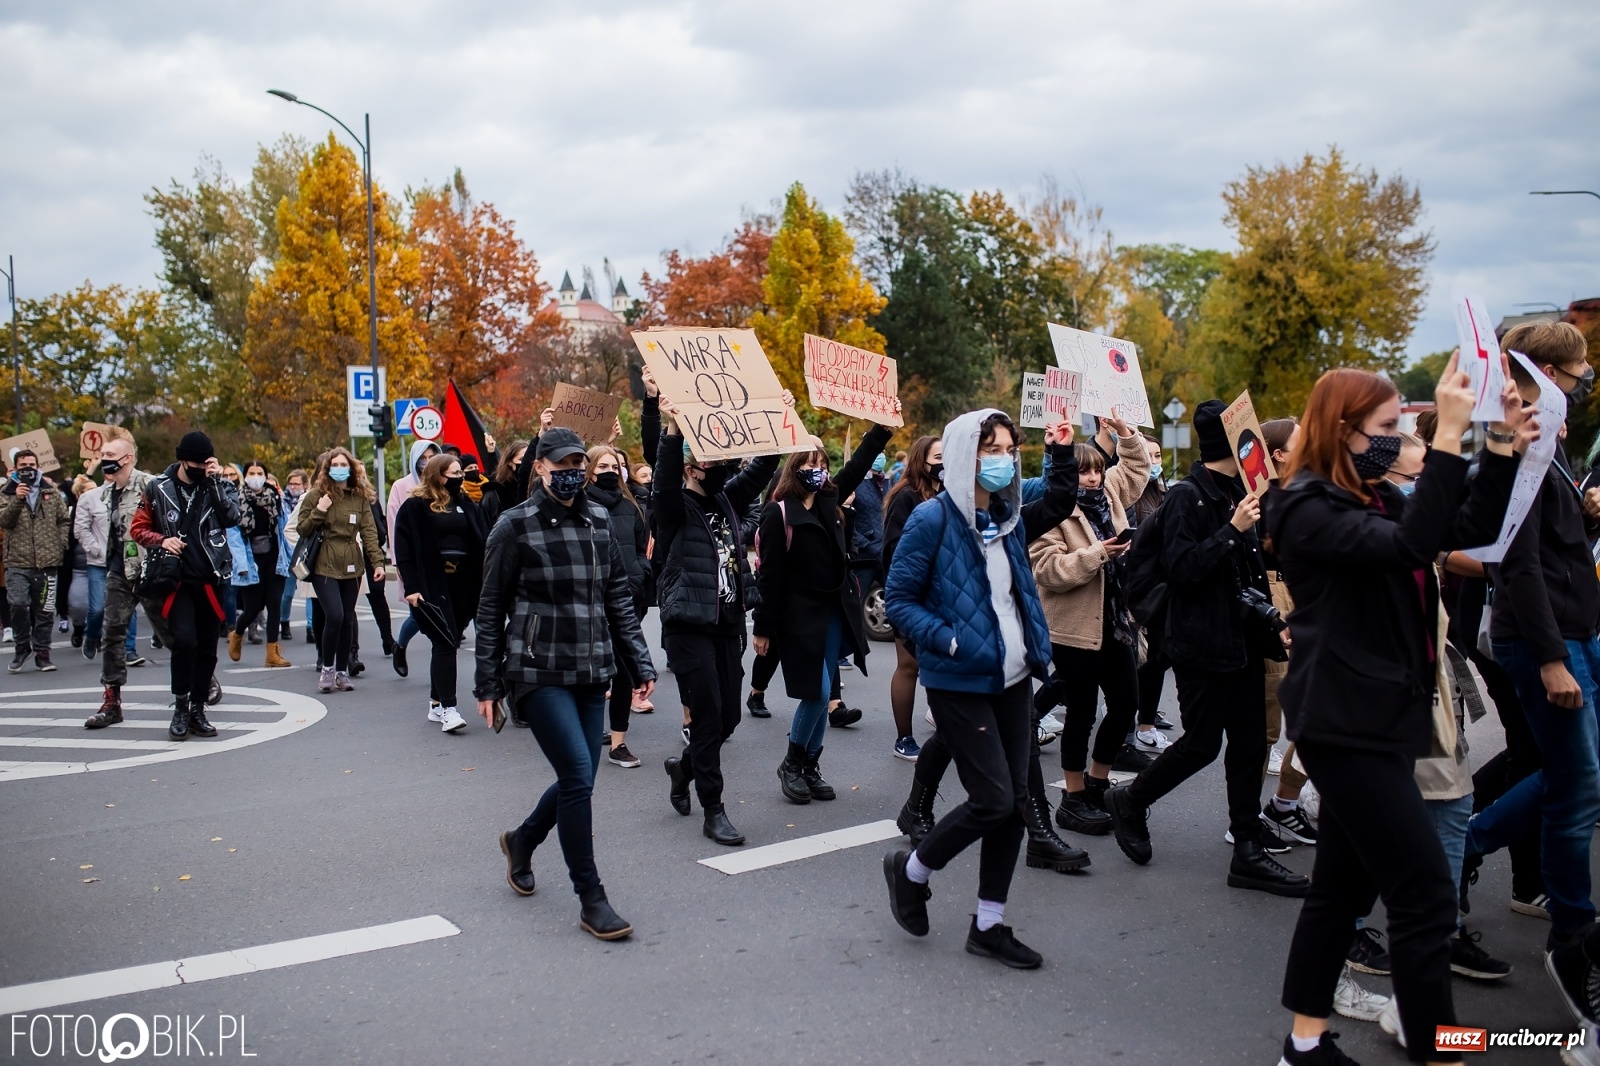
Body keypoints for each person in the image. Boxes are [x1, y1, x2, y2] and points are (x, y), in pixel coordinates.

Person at [1264, 357, 1525, 1065]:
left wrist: (1500, 443)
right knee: (1425, 898)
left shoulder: (1372, 498)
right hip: (1345, 726)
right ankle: (1439, 1047)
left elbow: (1465, 526)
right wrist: (1448, 438)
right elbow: (1413, 547)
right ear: (1344, 430)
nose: (1397, 437)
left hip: (1377, 720)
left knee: (1340, 889)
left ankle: (1303, 1045)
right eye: (1387, 428)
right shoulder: (1305, 505)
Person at [882, 408, 1081, 970]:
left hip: (1012, 678)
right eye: (991, 449)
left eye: (1010, 450)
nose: (1003, 460)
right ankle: (913, 870)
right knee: (993, 799)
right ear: (967, 452)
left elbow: (1060, 501)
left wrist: (1060, 452)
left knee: (1014, 805)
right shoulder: (930, 519)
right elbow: (898, 601)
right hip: (958, 680)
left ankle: (988, 925)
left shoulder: (1008, 515)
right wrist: (945, 641)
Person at [475, 426, 657, 940]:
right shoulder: (514, 526)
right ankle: (591, 898)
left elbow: (618, 596)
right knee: (579, 772)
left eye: (579, 462)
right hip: (536, 669)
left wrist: (639, 662)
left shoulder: (600, 518)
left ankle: (523, 840)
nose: (573, 472)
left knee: (582, 779)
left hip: (592, 664)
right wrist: (487, 683)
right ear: (539, 468)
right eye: (562, 464)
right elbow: (489, 609)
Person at [1465, 321, 1600, 969]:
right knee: (1575, 782)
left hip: (1573, 632)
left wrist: (1585, 509)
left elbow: (1550, 540)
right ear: (1545, 376)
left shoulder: (1550, 446)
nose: (1582, 388)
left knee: (1575, 775)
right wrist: (1552, 657)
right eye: (1577, 378)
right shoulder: (1522, 451)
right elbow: (1514, 561)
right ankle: (1572, 927)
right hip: (1548, 639)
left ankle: (1466, 849)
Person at [654, 396, 781, 847]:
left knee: (728, 718)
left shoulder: (727, 498)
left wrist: (777, 416)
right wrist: (672, 428)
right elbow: (663, 481)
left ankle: (682, 767)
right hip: (688, 625)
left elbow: (764, 467)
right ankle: (714, 809)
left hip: (727, 622)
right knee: (708, 717)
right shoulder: (672, 506)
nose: (720, 465)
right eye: (710, 459)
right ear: (691, 467)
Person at [755, 422, 896, 804]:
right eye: (810, 462)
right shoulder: (777, 514)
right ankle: (792, 762)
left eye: (823, 462)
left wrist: (881, 431)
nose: (818, 469)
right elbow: (769, 576)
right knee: (817, 692)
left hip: (834, 609)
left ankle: (809, 766)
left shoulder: (829, 500)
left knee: (822, 689)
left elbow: (857, 466)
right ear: (795, 466)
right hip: (797, 616)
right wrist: (763, 628)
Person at [1029, 419, 1152, 837]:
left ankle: (1099, 783)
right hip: (1074, 630)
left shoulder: (1110, 494)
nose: (1094, 477)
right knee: (1080, 714)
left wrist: (1126, 433)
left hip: (1117, 624)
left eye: (1097, 469)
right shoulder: (1052, 510)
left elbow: (1136, 469)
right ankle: (1074, 796)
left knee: (1125, 706)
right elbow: (1047, 571)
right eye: (1084, 471)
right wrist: (1099, 553)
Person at [128, 432, 242, 740]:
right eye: (196, 463)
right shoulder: (158, 488)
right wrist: (162, 540)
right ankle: (180, 706)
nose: (201, 468)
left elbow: (232, 518)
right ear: (182, 460)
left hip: (211, 578)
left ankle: (198, 709)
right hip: (176, 581)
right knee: (184, 642)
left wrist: (216, 482)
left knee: (207, 647)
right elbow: (138, 528)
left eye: (206, 463)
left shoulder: (219, 484)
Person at [395, 454, 486, 734]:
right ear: (437, 474)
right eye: (453, 473)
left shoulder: (465, 504)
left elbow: (480, 539)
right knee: (445, 642)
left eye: (461, 471)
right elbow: (404, 550)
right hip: (433, 585)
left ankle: (436, 703)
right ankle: (449, 709)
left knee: (447, 643)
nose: (459, 477)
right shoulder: (414, 507)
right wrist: (412, 587)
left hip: (464, 584)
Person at [580, 444, 652, 767]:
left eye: (614, 466)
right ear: (590, 471)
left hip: (626, 601)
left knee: (624, 672)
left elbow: (641, 549)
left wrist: (637, 578)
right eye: (603, 467)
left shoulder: (630, 505)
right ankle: (586, 733)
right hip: (592, 604)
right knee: (596, 675)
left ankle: (618, 743)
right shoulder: (579, 507)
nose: (610, 472)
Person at [297, 447, 385, 694]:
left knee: (347, 618)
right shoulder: (316, 495)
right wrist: (320, 509)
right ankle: (327, 667)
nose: (338, 468)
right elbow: (302, 529)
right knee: (334, 616)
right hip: (324, 563)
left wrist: (377, 563)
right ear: (327, 469)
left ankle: (342, 671)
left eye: (343, 464)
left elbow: (369, 533)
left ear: (351, 468)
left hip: (352, 563)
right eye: (334, 464)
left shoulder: (359, 498)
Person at [84, 429, 156, 728]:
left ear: (127, 458)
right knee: (112, 633)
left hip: (150, 569)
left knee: (171, 634)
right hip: (117, 569)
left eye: (110, 456)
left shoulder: (151, 486)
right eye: (102, 457)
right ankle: (111, 701)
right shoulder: (102, 492)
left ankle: (200, 685)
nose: (104, 461)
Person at [881, 435, 943, 760]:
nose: (943, 462)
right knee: (909, 664)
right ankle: (903, 738)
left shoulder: (946, 493)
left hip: (939, 596)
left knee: (938, 660)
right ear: (922, 460)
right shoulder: (905, 497)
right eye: (938, 456)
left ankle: (943, 721)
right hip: (909, 594)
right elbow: (893, 550)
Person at [3, 449, 71, 672]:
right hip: (17, 561)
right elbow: (4, 520)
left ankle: (43, 653)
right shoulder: (6, 492)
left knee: (44, 610)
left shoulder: (49, 491)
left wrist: (60, 543)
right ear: (14, 469)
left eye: (32, 464)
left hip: (47, 562)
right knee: (18, 604)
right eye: (23, 465)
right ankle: (22, 646)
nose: (28, 469)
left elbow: (63, 520)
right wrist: (18, 499)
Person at [227, 461, 291, 668]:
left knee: (274, 604)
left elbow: (286, 526)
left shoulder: (275, 497)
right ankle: (237, 634)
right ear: (245, 476)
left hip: (274, 557)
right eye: (252, 473)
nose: (256, 476)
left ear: (265, 475)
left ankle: (272, 652)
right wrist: (242, 564)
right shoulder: (236, 500)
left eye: (260, 473)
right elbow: (234, 536)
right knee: (253, 607)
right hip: (250, 559)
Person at [387, 439, 441, 676]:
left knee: (440, 614)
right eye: (423, 457)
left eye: (432, 457)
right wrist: (398, 561)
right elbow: (393, 525)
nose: (427, 463)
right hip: (412, 561)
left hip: (438, 560)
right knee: (419, 614)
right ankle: (400, 645)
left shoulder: (441, 484)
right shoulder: (401, 486)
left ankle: (441, 663)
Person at [277, 468, 308, 641]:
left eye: (297, 484)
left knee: (309, 592)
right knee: (287, 594)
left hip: (306, 554)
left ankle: (311, 627)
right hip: (289, 555)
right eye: (291, 484)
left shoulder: (308, 501)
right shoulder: (282, 502)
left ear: (305, 485)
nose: (293, 487)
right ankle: (284, 622)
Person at [481, 439, 530, 528]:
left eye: (530, 459)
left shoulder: (540, 489)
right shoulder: (495, 493)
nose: (526, 463)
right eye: (522, 459)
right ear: (510, 462)